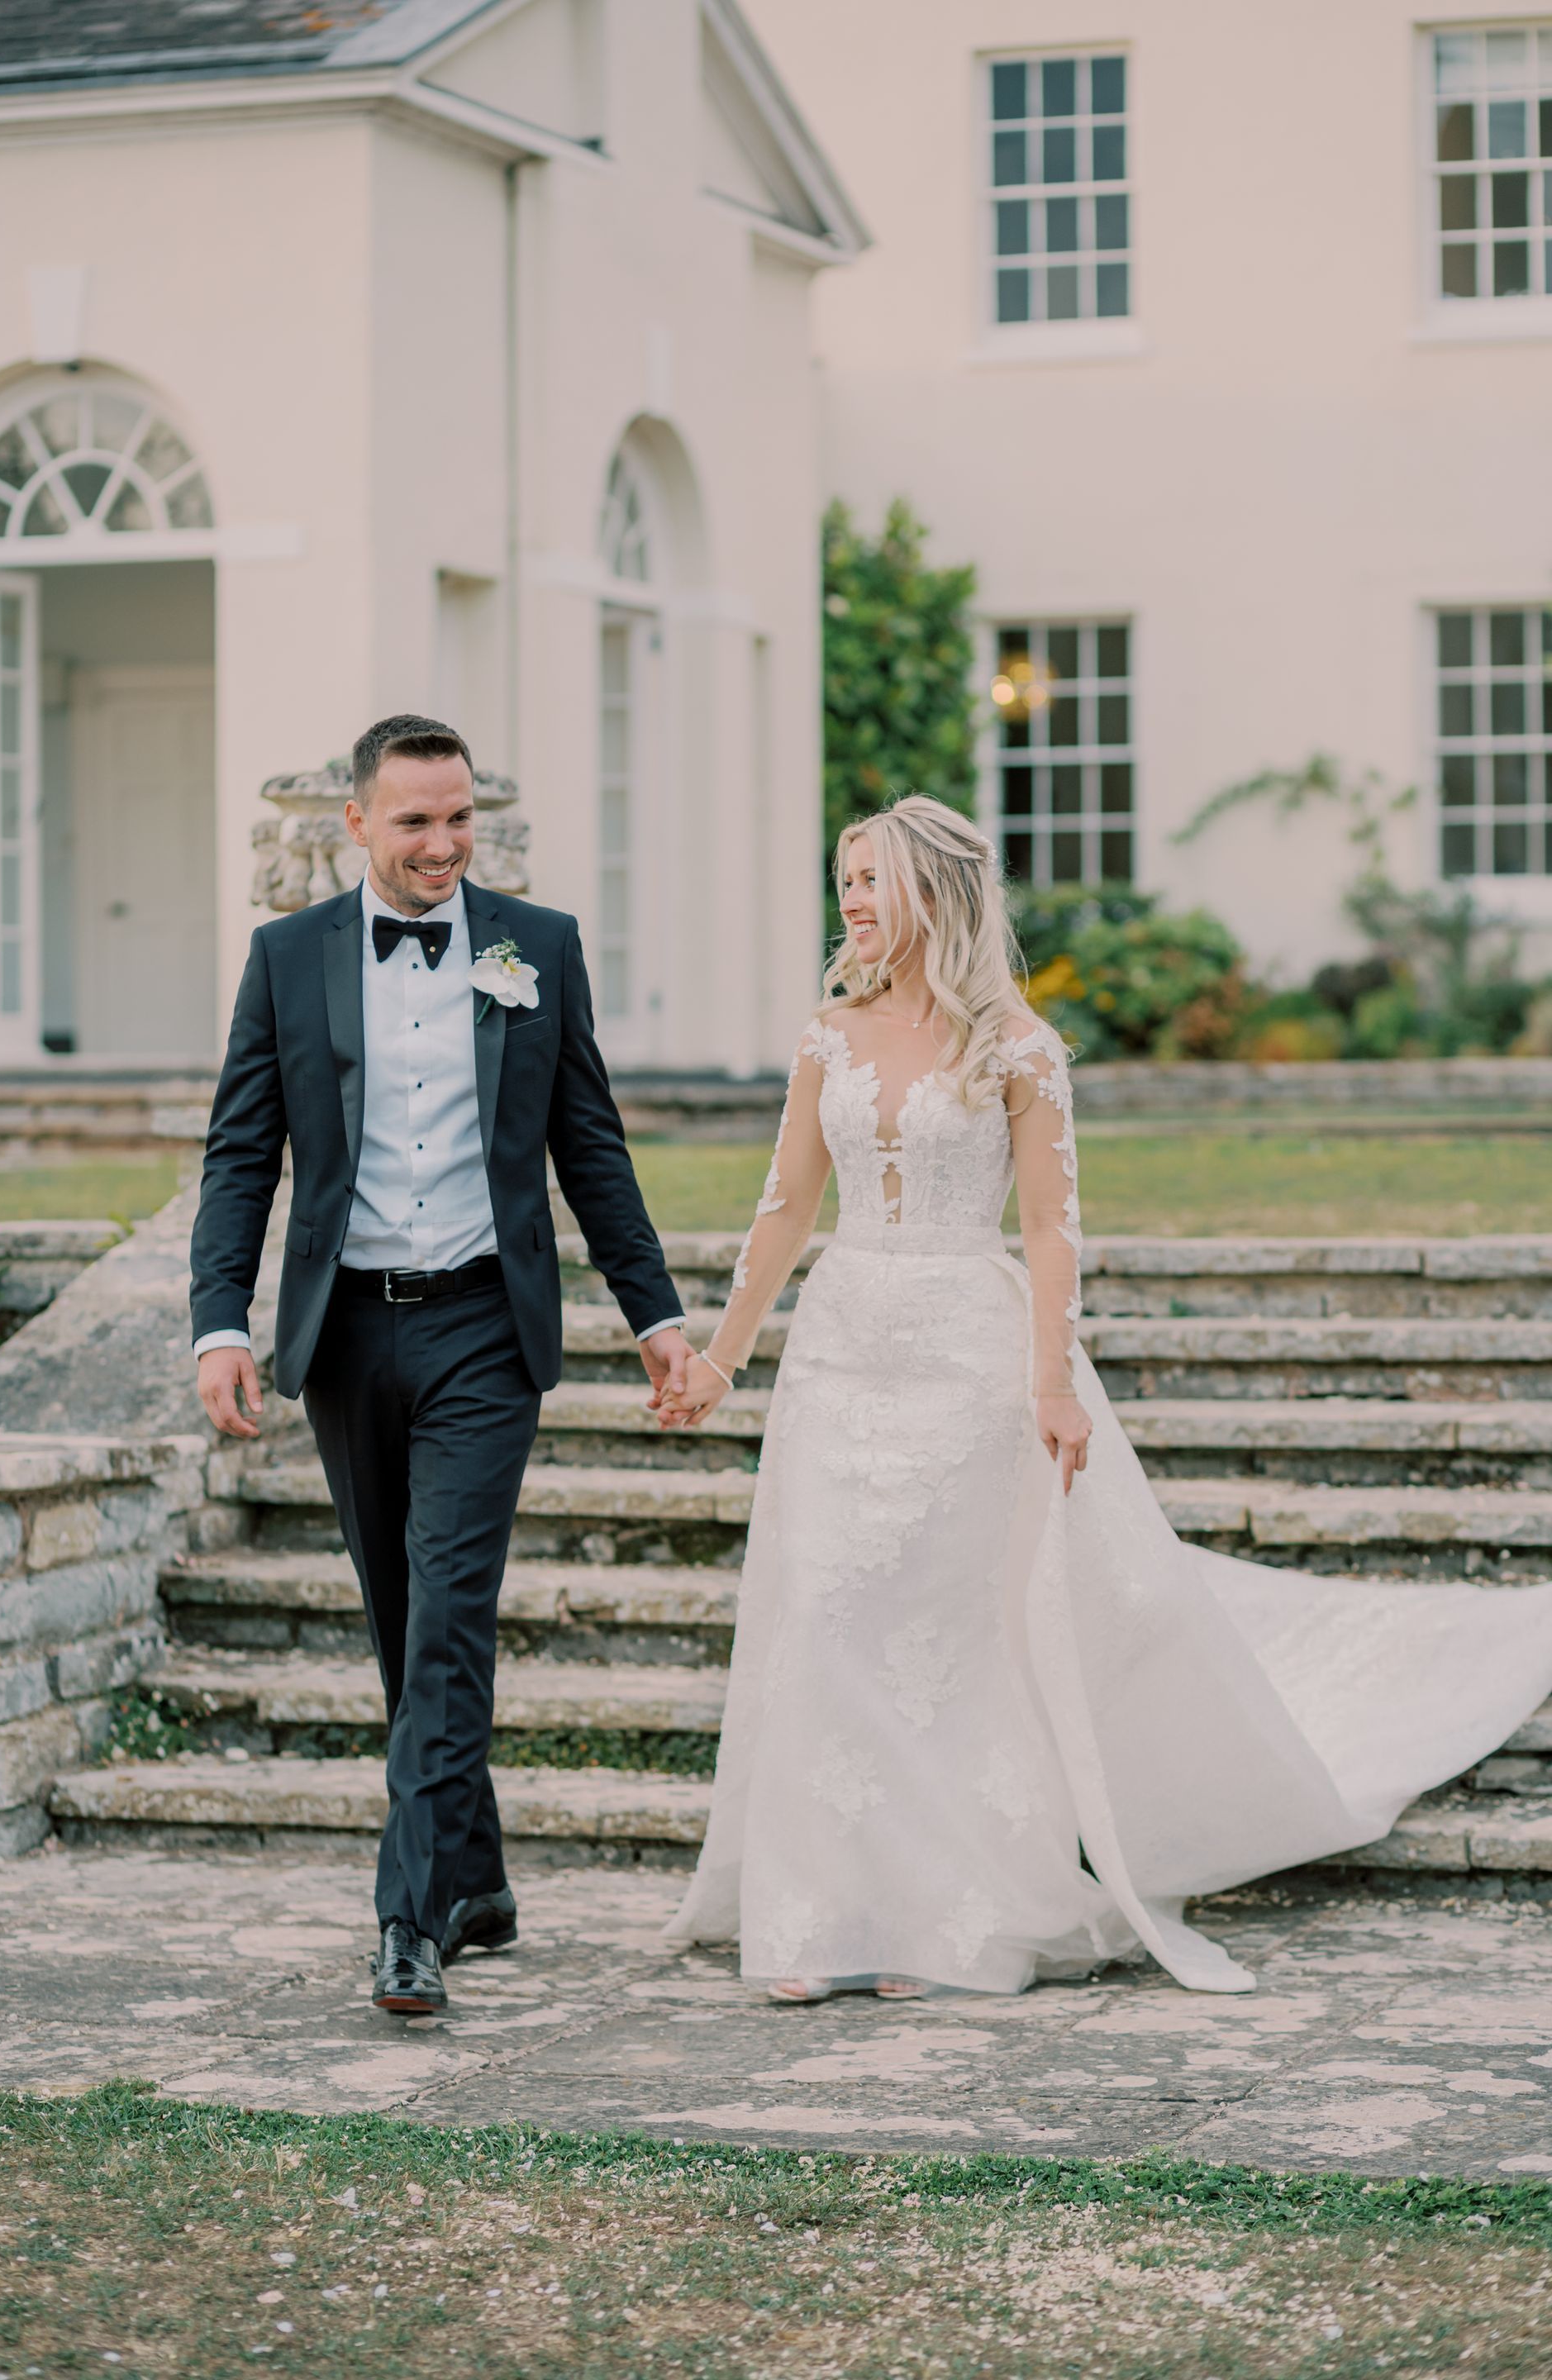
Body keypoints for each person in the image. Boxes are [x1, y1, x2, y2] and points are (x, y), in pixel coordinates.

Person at [659, 793, 1552, 2000]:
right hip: (843, 1350)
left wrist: (1051, 1382)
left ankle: (939, 1921)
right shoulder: (829, 1035)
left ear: (934, 892)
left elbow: (1048, 1225)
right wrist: (721, 1357)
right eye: (846, 881)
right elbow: (785, 1209)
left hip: (970, 1358)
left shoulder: (1019, 1046)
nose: (853, 903)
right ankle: (821, 1919)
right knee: (828, 1618)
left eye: (872, 880)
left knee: (952, 1640)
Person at [190, 714, 691, 2014]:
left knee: (451, 1614)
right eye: (414, 820)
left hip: (483, 1323)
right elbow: (243, 1152)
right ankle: (477, 1879)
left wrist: (658, 1316)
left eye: (459, 817)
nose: (442, 844)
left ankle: (410, 1918)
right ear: (354, 823)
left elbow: (593, 1148)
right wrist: (220, 1323)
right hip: (347, 1334)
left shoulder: (536, 948)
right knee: (402, 1623)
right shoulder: (287, 958)